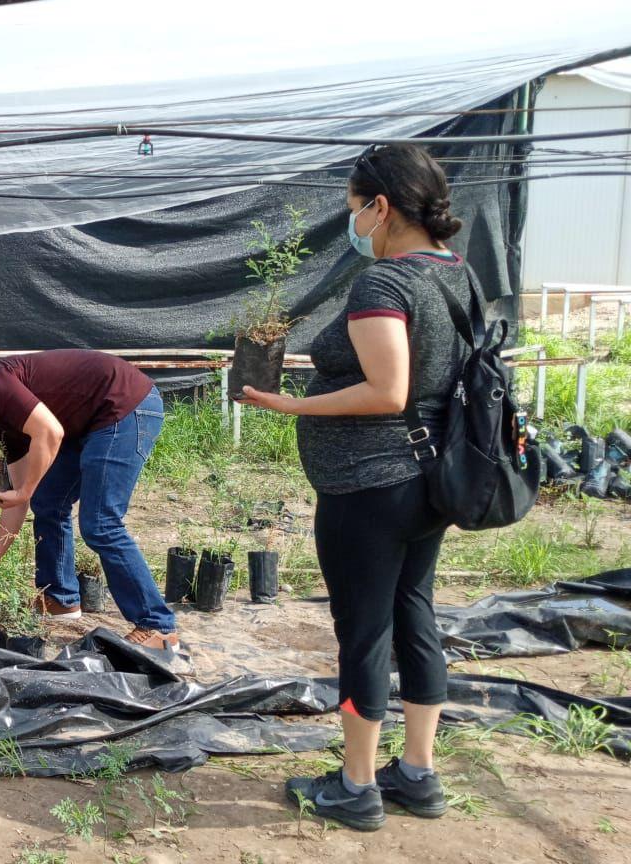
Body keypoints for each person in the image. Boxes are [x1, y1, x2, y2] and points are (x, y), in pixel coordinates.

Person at [238, 143, 467, 831]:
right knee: (414, 615)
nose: (352, 223)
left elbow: (387, 390)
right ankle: (419, 774)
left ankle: (356, 786)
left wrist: (293, 407)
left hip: (371, 487)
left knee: (363, 633)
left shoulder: (385, 284)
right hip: (430, 481)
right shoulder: (456, 272)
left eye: (352, 209)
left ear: (381, 206)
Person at [0, 349, 178, 649]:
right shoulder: (0, 416)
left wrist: (25, 490)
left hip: (124, 407)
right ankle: (61, 599)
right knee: (48, 501)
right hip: (91, 422)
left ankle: (158, 626)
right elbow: (16, 498)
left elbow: (50, 432)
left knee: (100, 523)